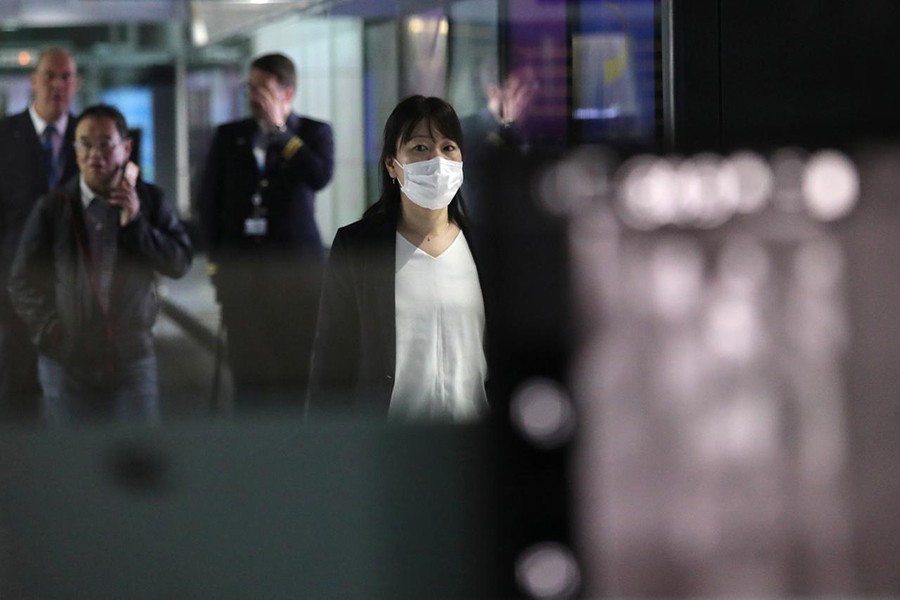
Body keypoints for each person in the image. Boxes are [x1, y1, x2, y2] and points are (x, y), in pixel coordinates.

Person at [307, 95, 489, 422]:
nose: (437, 160)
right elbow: (333, 357)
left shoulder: (486, 247)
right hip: (391, 444)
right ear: (393, 164)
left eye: (448, 147)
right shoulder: (359, 248)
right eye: (420, 148)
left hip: (474, 447)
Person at [8, 104, 193, 424]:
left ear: (126, 148)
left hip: (132, 360)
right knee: (70, 464)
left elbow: (179, 262)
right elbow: (21, 280)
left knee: (137, 461)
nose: (95, 154)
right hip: (66, 363)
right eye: (85, 144)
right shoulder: (54, 208)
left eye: (106, 143)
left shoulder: (149, 201)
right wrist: (50, 331)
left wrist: (136, 223)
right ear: (75, 150)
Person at [198, 52, 335, 410]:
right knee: (248, 373)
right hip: (243, 274)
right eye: (251, 86)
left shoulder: (313, 133)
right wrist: (216, 267)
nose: (253, 94)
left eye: (263, 87)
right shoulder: (230, 136)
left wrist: (280, 132)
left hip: (295, 273)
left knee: (295, 370)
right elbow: (209, 203)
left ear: (287, 93)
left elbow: (319, 176)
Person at [0, 48, 80, 420]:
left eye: (65, 77)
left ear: (75, 84)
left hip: (75, 288)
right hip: (14, 285)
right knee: (18, 386)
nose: (57, 85)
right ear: (33, 81)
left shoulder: (90, 138)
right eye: (49, 75)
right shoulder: (5, 136)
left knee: (73, 389)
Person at [459, 61, 536, 219]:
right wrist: (510, 126)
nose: (529, 96)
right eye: (520, 88)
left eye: (532, 86)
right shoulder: (466, 131)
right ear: (494, 92)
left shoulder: (537, 132)